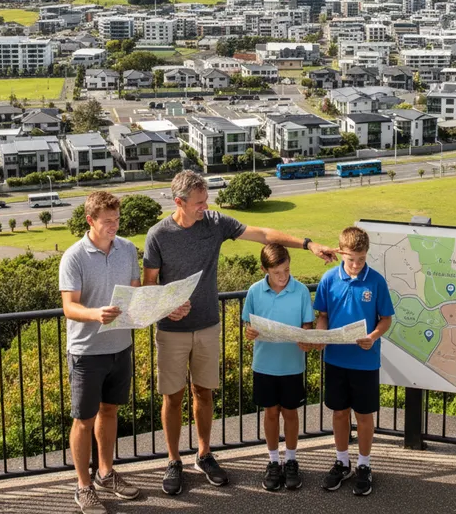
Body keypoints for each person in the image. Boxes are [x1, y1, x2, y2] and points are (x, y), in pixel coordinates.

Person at [143, 169, 337, 496]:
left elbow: (263, 234)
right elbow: (149, 285)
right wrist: (165, 308)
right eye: (200, 202)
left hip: (207, 327)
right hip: (171, 331)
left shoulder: (215, 223)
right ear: (179, 202)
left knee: (203, 394)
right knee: (172, 398)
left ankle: (204, 454)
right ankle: (174, 460)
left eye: (207, 200)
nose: (207, 206)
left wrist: (308, 244)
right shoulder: (158, 234)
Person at [58, 192, 142, 514]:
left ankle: (106, 473)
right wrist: (96, 314)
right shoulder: (74, 256)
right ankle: (84, 486)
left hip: (121, 347)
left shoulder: (128, 249)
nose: (115, 226)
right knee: (83, 420)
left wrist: (151, 305)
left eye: (117, 219)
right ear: (90, 220)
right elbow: (69, 306)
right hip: (87, 352)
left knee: (110, 412)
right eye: (108, 221)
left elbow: (135, 293)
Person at [313, 226, 394, 496]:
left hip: (365, 361)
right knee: (338, 412)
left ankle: (364, 465)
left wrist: (372, 336)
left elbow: (386, 320)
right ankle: (342, 461)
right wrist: (321, 335)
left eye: (361, 259)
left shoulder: (377, 282)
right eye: (351, 259)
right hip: (336, 359)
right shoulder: (328, 279)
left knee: (363, 415)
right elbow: (322, 315)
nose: (356, 265)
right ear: (340, 252)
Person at [242, 243, 317, 492]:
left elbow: (307, 325)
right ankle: (274, 462)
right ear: (265, 269)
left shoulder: (301, 291)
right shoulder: (254, 291)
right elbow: (247, 326)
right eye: (277, 272)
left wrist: (306, 339)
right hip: (264, 365)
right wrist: (249, 332)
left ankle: (292, 460)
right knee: (271, 413)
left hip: (293, 365)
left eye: (286, 270)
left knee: (291, 413)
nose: (283, 276)